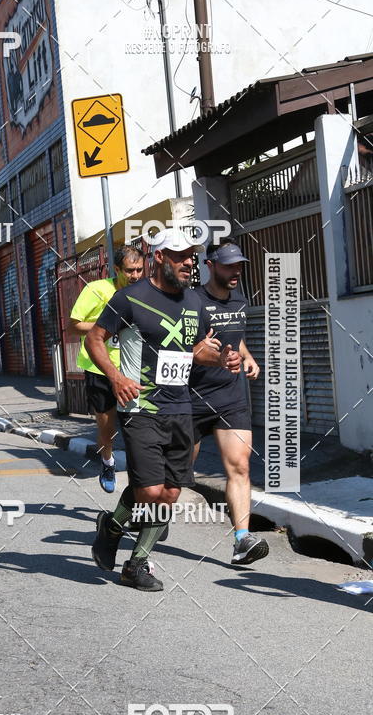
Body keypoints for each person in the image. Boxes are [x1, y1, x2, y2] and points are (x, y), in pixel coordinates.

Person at [86, 229, 241, 591]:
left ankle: (124, 547)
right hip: (141, 406)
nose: (189, 262)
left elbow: (196, 349)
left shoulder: (194, 302)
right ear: (159, 257)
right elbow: (94, 338)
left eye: (192, 255)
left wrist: (223, 358)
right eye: (180, 255)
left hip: (182, 407)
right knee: (149, 491)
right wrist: (115, 378)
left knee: (170, 493)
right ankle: (124, 546)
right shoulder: (129, 299)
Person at [190, 239, 269, 566]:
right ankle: (131, 522)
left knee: (239, 466)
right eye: (229, 265)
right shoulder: (191, 300)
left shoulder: (239, 298)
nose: (236, 271)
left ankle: (241, 540)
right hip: (190, 397)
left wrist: (247, 357)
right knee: (174, 478)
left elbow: (236, 337)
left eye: (239, 265)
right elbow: (185, 347)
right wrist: (208, 353)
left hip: (230, 398)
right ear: (210, 266)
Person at [69, 244, 145, 493]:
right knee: (107, 427)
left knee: (138, 428)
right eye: (130, 271)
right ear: (116, 269)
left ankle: (142, 478)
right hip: (99, 368)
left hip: (133, 369)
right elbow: (74, 325)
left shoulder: (144, 292)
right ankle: (108, 461)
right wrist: (108, 325)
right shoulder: (97, 289)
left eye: (139, 270)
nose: (135, 276)